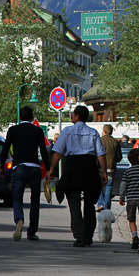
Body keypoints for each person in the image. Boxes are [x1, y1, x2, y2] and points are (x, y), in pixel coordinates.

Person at [48, 105, 107, 247]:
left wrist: (51, 169)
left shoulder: (67, 131)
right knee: (89, 203)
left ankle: (79, 236)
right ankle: (88, 236)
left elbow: (57, 152)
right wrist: (104, 172)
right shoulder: (93, 132)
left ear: (77, 116)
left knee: (73, 204)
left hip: (72, 167)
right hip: (89, 168)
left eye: (73, 114)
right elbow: (100, 154)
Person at [0, 106, 51, 242]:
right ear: (32, 116)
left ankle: (19, 220)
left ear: (20, 117)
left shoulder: (13, 130)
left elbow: (5, 150)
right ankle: (32, 232)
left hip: (19, 167)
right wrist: (48, 169)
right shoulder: (37, 131)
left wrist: (2, 167)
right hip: (34, 168)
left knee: (17, 198)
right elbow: (44, 151)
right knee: (35, 200)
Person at [95, 124, 122, 211]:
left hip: (100, 167)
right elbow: (119, 157)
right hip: (111, 167)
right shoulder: (115, 142)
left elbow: (95, 153)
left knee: (99, 185)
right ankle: (107, 206)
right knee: (109, 187)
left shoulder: (99, 140)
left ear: (104, 131)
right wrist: (114, 161)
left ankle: (100, 203)